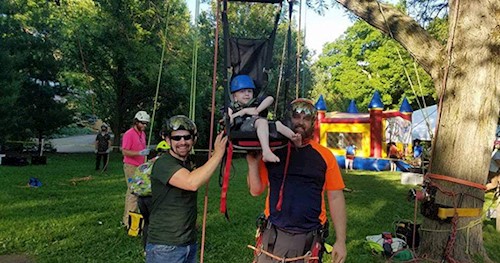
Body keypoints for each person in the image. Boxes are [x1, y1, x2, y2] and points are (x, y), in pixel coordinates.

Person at [246, 98, 347, 263]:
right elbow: (255, 190)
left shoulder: (324, 156)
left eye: (306, 118)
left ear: (313, 123)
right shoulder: (274, 150)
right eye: (296, 116)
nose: (301, 122)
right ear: (288, 118)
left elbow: (335, 197)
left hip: (309, 239)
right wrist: (252, 164)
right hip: (273, 235)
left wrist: (341, 241)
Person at [146, 115, 227, 263]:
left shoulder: (189, 161)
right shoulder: (163, 164)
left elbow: (205, 171)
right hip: (165, 245)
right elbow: (191, 182)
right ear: (167, 140)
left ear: (193, 139)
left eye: (187, 137)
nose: (182, 142)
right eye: (177, 138)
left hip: (189, 242)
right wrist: (218, 153)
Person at [228, 75, 301, 163]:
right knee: (262, 121)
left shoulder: (255, 102)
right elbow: (229, 120)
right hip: (243, 126)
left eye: (249, 91)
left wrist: (257, 110)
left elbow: (270, 99)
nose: (247, 94)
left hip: (260, 126)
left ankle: (294, 138)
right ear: (235, 97)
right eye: (242, 91)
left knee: (276, 124)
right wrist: (243, 111)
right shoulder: (232, 107)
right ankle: (266, 152)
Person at [121, 110, 151, 227]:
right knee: (133, 192)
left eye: (146, 124)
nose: (144, 126)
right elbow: (124, 151)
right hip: (130, 166)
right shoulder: (129, 134)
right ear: (136, 122)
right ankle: (128, 221)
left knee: (138, 192)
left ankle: (134, 218)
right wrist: (139, 153)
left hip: (140, 167)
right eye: (142, 123)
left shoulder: (142, 134)